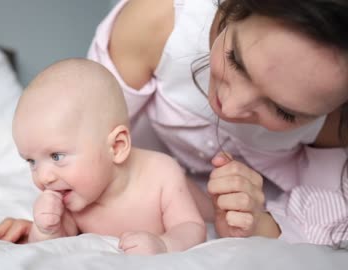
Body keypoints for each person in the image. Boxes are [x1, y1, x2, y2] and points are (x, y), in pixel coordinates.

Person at [85, 0, 348, 246]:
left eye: (283, 111)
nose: (231, 107)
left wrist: (260, 223)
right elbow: (84, 130)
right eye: (235, 60)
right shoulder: (157, 23)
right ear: (233, 7)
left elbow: (334, 213)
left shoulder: (335, 124)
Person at [0, 58, 206, 255]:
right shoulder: (72, 198)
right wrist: (44, 230)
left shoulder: (162, 174)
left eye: (57, 156)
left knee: (205, 205)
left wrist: (164, 245)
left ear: (117, 147)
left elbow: (191, 227)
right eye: (31, 161)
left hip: (199, 196)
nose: (43, 177)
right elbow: (54, 247)